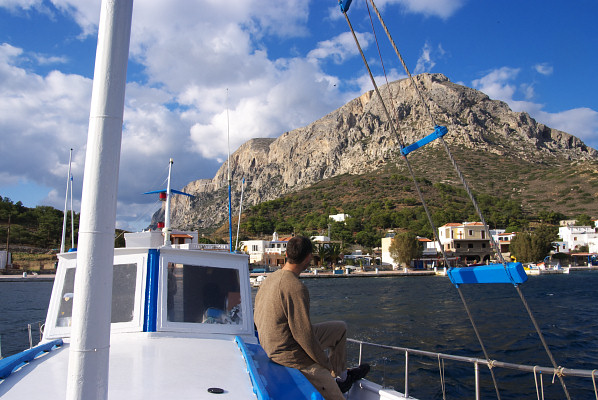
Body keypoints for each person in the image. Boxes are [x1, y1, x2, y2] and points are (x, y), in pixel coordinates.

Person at [254, 236, 369, 400]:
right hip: (288, 354)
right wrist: (324, 364)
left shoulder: (269, 280)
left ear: (287, 254)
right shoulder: (296, 288)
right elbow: (304, 335)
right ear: (308, 258)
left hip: (272, 344)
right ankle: (334, 380)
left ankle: (343, 378)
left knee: (340, 329)